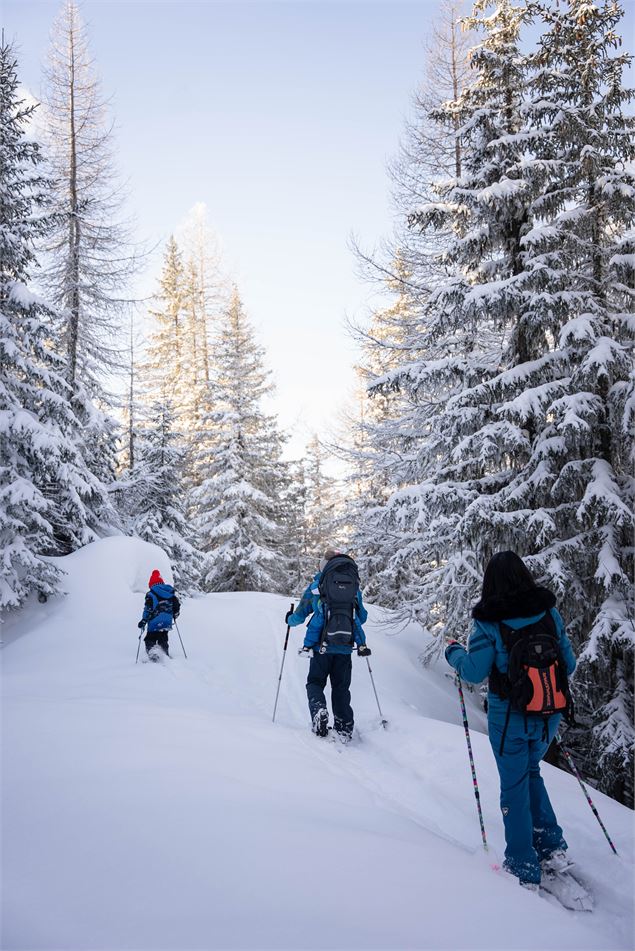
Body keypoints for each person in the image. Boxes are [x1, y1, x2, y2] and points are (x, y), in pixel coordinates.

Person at [445, 551, 576, 890]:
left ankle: (522, 864)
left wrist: (453, 652)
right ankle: (551, 846)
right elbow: (570, 664)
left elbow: (473, 672)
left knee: (514, 785)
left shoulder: (488, 621)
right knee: (531, 771)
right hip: (548, 713)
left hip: (510, 719)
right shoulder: (548, 612)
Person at [286, 549, 370, 741]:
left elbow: (300, 614)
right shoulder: (353, 588)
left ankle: (319, 710)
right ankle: (344, 727)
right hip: (345, 647)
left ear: (323, 567)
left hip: (320, 647)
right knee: (341, 687)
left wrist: (289, 619)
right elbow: (362, 617)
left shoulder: (317, 587)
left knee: (315, 682)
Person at [138, 569, 180, 659]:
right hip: (167, 620)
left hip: (154, 620)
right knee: (163, 637)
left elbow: (148, 609)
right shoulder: (169, 592)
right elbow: (176, 605)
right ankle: (165, 653)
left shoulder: (151, 594)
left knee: (150, 637)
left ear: (151, 584)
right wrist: (175, 615)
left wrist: (144, 620)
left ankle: (152, 654)